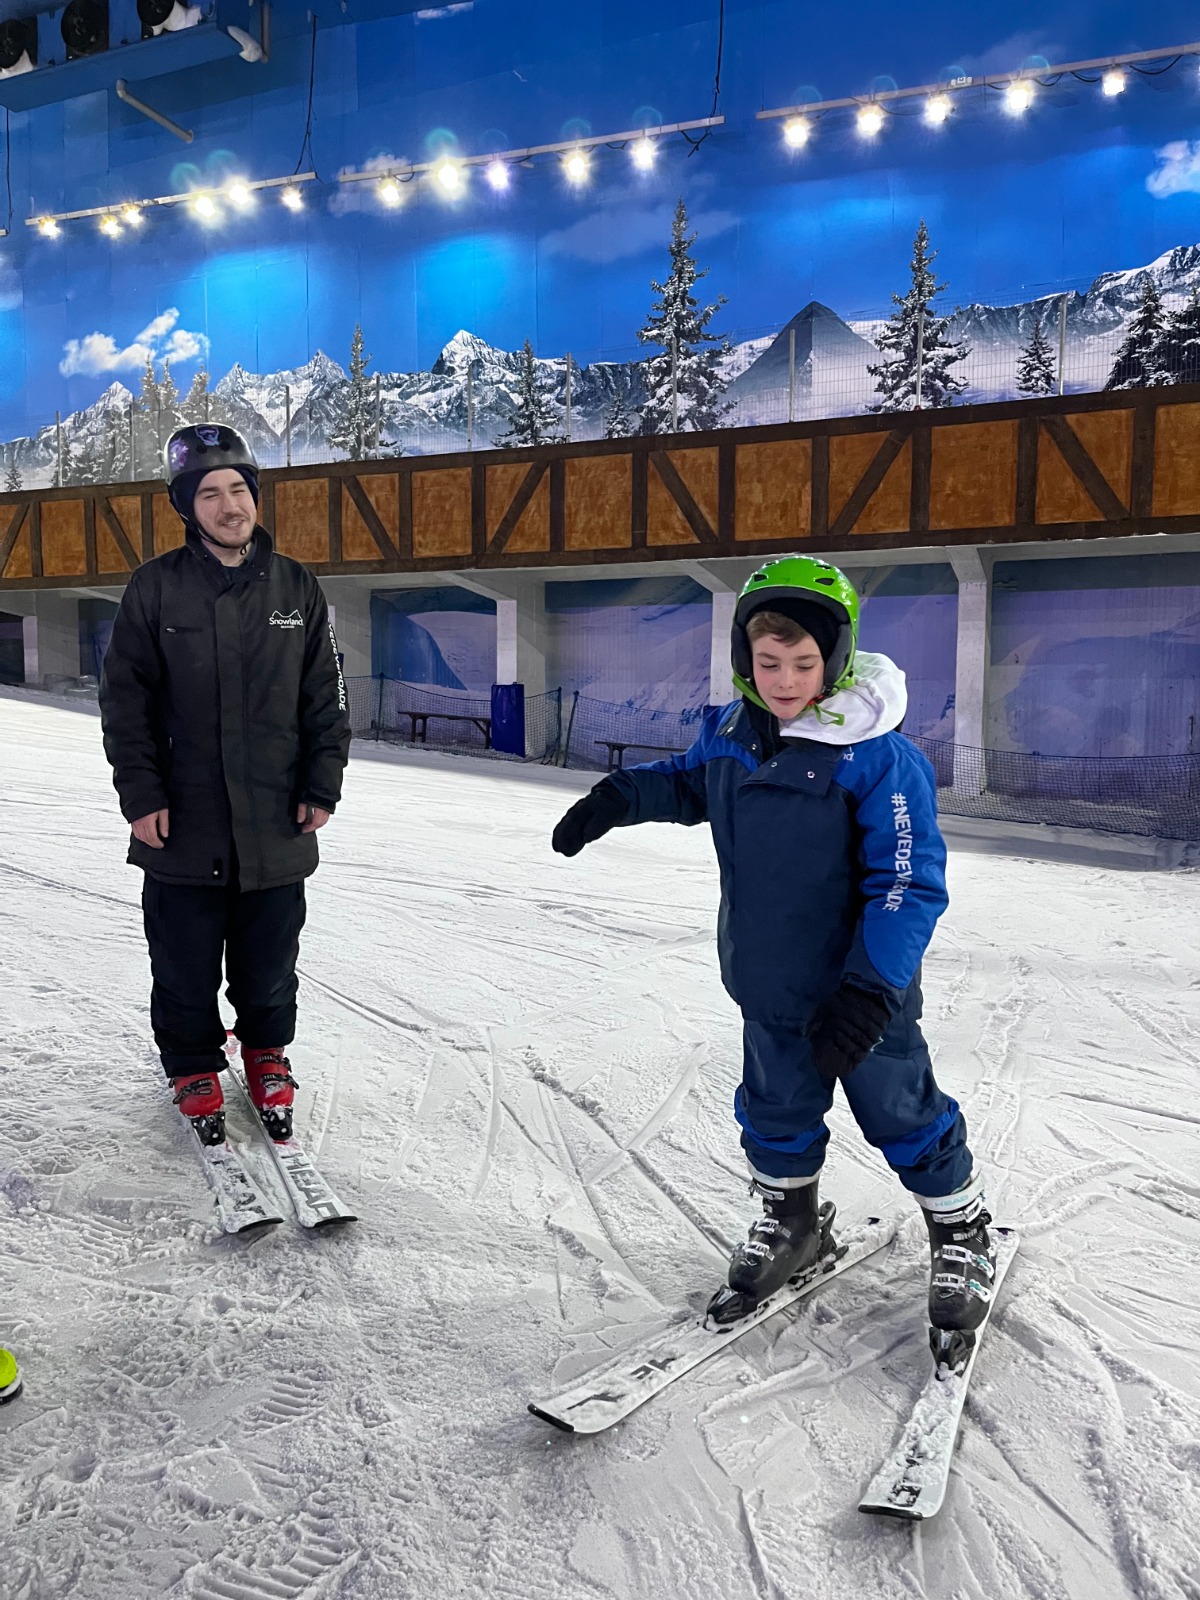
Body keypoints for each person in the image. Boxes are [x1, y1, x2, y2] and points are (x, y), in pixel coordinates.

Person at [551, 555, 994, 1362]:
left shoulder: (876, 757)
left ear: (837, 657)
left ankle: (960, 1224)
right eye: (767, 662)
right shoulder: (732, 732)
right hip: (768, 979)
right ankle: (790, 1222)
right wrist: (620, 797)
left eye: (803, 662)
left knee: (901, 1110)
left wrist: (869, 990)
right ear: (741, 659)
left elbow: (907, 885)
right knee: (776, 1110)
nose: (785, 679)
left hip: (863, 990)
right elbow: (688, 782)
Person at [99, 424, 351, 1148]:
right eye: (210, 493)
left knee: (271, 959)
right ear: (188, 507)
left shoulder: (297, 586)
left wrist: (322, 784)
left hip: (275, 819)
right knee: (182, 960)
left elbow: (325, 698)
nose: (229, 504)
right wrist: (142, 797)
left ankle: (267, 1050)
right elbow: (125, 703)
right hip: (184, 821)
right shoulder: (155, 588)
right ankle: (191, 1062)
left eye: (238, 489)